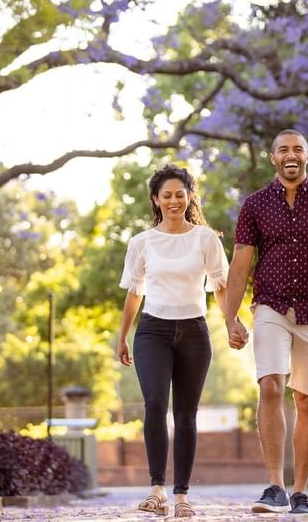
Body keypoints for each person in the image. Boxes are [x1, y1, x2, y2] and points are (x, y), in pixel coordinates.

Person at [224, 129, 308, 516]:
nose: (291, 154)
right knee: (271, 385)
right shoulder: (255, 205)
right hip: (271, 306)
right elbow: (240, 266)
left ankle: (300, 493)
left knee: (307, 402)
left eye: (298, 148)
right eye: (283, 149)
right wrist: (230, 318)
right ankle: (274, 487)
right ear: (273, 158)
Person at [116, 164, 237, 519]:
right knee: (155, 405)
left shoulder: (205, 239)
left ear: (189, 197)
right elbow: (134, 294)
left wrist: (233, 322)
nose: (173, 201)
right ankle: (157, 489)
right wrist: (123, 336)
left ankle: (181, 494)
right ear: (155, 199)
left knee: (186, 414)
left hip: (194, 334)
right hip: (153, 331)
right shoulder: (141, 243)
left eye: (179, 195)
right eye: (166, 195)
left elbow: (220, 287)